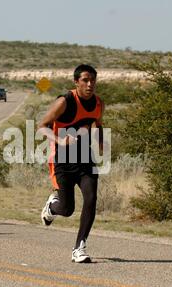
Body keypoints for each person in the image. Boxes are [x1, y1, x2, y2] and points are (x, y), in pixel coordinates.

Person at [38, 65, 105, 263]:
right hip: (63, 160)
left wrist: (101, 143)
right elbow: (42, 126)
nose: (90, 84)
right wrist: (60, 140)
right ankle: (52, 207)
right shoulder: (65, 101)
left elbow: (98, 124)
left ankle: (79, 247)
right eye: (85, 80)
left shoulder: (99, 103)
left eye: (93, 80)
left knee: (91, 199)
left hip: (85, 159)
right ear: (76, 82)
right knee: (67, 210)